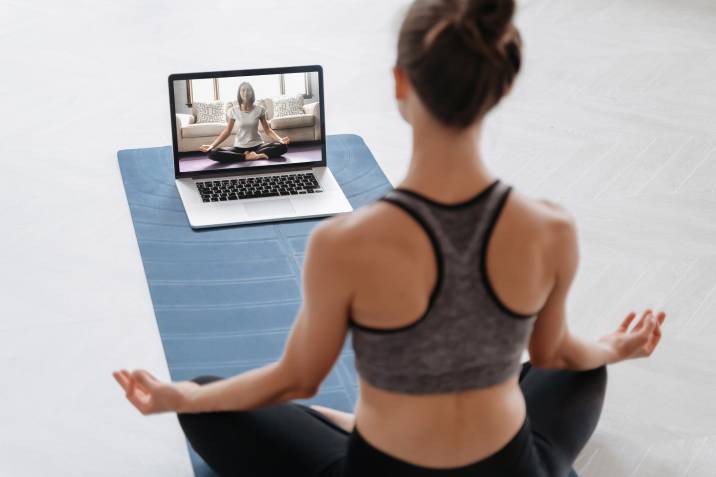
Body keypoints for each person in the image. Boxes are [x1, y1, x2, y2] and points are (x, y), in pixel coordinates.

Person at [112, 0, 667, 476]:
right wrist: (618, 347)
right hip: (511, 467)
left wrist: (176, 396)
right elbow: (556, 353)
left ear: (400, 82)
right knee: (586, 366)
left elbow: (295, 380)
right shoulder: (551, 228)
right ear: (502, 85)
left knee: (208, 400)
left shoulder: (344, 243)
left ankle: (357, 424)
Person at [198, 81, 290, 163]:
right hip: (239, 148)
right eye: (243, 90)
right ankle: (247, 156)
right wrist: (211, 145)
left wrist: (280, 139)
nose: (245, 92)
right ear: (239, 93)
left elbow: (268, 130)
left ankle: (251, 155)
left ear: (252, 93)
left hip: (258, 146)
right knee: (212, 153)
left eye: (248, 90)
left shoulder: (259, 110)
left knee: (282, 146)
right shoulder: (233, 111)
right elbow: (227, 131)